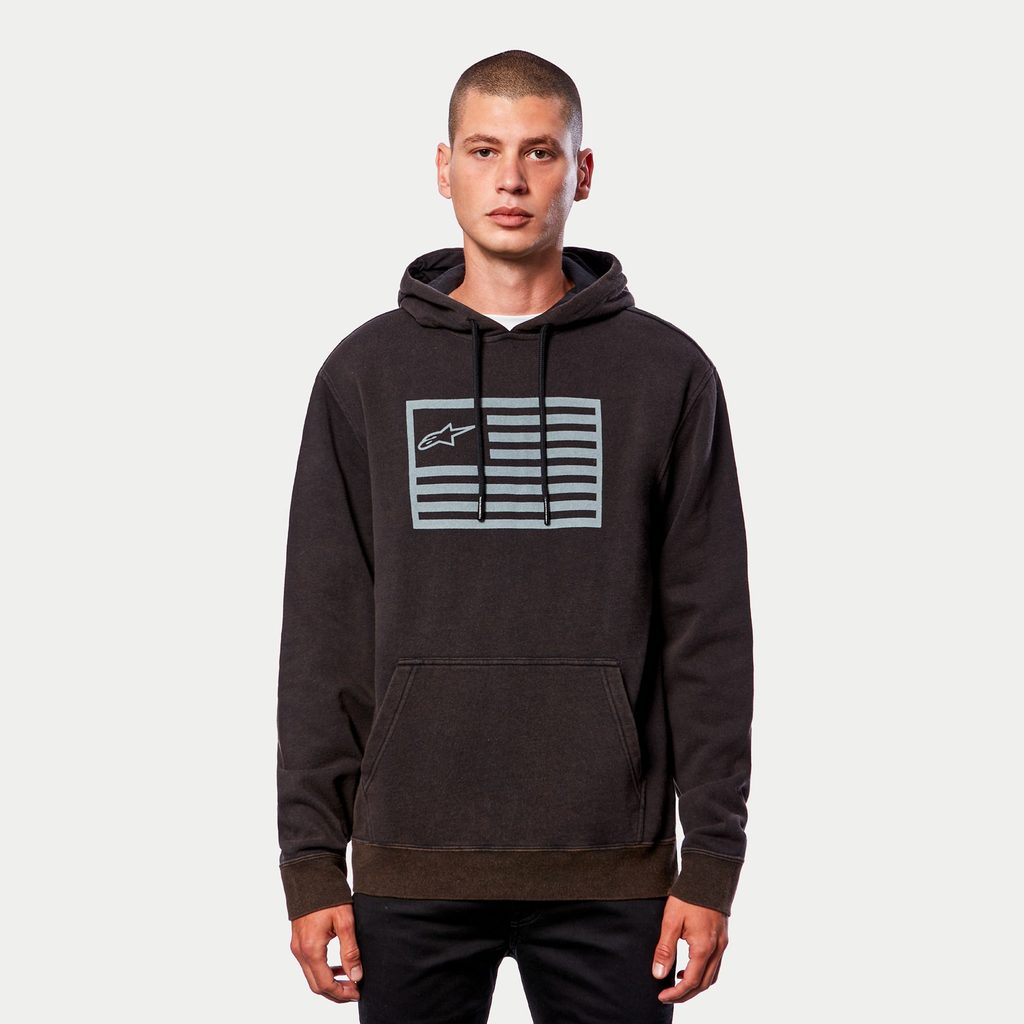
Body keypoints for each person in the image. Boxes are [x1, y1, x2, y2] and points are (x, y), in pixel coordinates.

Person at [276, 49, 754, 1023]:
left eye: (540, 151)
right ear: (443, 166)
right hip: (410, 859)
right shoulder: (364, 374)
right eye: (484, 150)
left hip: (613, 869)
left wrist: (711, 860)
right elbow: (324, 634)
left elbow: (708, 634)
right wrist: (311, 861)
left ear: (582, 171)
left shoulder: (666, 373)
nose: (510, 179)